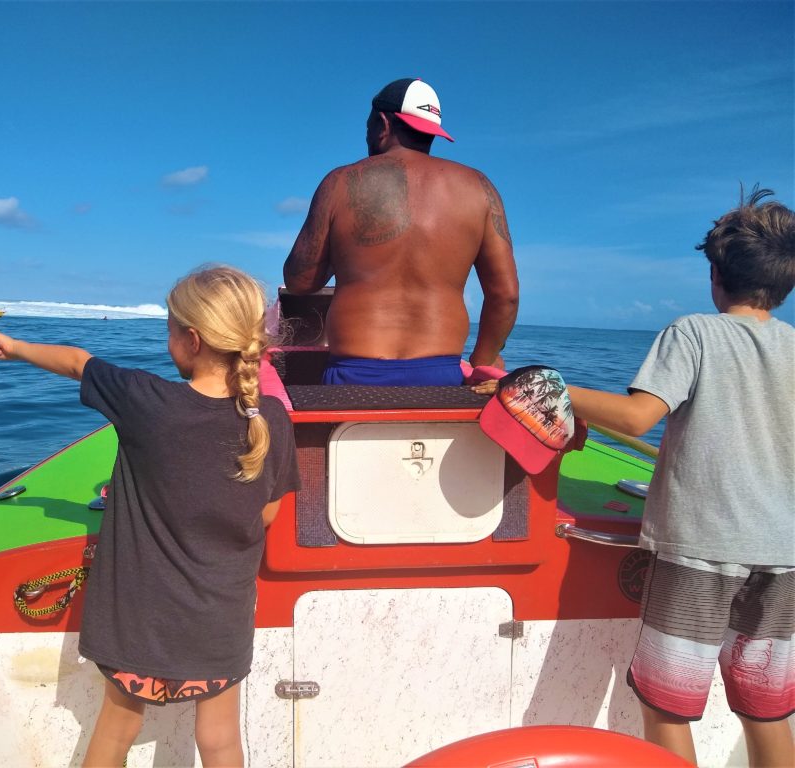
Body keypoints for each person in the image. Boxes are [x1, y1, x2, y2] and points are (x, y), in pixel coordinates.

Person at [476, 187, 795, 766]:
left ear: (716, 277)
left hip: (703, 549)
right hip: (783, 557)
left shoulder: (695, 333)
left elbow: (638, 417)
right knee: (765, 708)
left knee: (669, 708)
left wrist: (553, 387)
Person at [0, 265, 301, 767]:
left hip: (136, 622)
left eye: (168, 330)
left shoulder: (146, 401)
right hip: (219, 621)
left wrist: (11, 346)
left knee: (116, 729)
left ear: (191, 339)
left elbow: (79, 363)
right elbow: (269, 513)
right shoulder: (271, 419)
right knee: (219, 740)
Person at [283, 77, 519, 386]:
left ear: (382, 123)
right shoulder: (479, 188)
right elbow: (506, 296)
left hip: (354, 374)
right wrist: (482, 363)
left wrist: (342, 252)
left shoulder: (340, 182)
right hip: (441, 376)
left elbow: (299, 282)